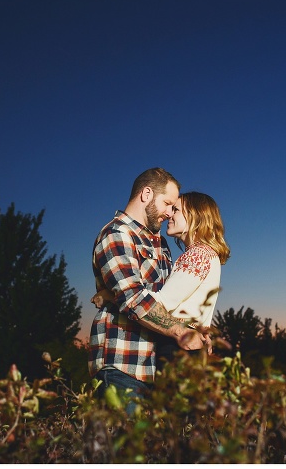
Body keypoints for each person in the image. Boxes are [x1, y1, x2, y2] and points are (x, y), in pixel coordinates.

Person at [88, 168, 207, 414]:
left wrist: (198, 330)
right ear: (146, 194)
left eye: (174, 208)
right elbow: (133, 298)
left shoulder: (160, 243)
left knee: (163, 448)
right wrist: (181, 332)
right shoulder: (116, 234)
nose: (169, 212)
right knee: (129, 449)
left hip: (157, 367)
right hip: (123, 364)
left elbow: (170, 301)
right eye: (167, 203)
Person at [92, 191, 230, 371]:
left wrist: (112, 294)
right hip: (191, 344)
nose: (169, 215)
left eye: (176, 210)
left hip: (180, 348)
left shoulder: (198, 255)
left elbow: (163, 303)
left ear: (195, 216)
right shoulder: (205, 254)